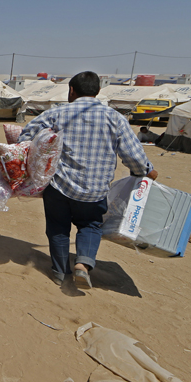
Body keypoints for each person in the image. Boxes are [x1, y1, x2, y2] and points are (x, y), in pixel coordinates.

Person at [20, 71, 158, 289]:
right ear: (98, 91)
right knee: (91, 225)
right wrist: (146, 170)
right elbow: (134, 156)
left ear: (71, 91)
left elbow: (25, 137)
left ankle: (59, 272)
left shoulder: (56, 114)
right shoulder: (115, 118)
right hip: (95, 189)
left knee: (57, 227)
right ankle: (83, 264)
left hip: (59, 186)